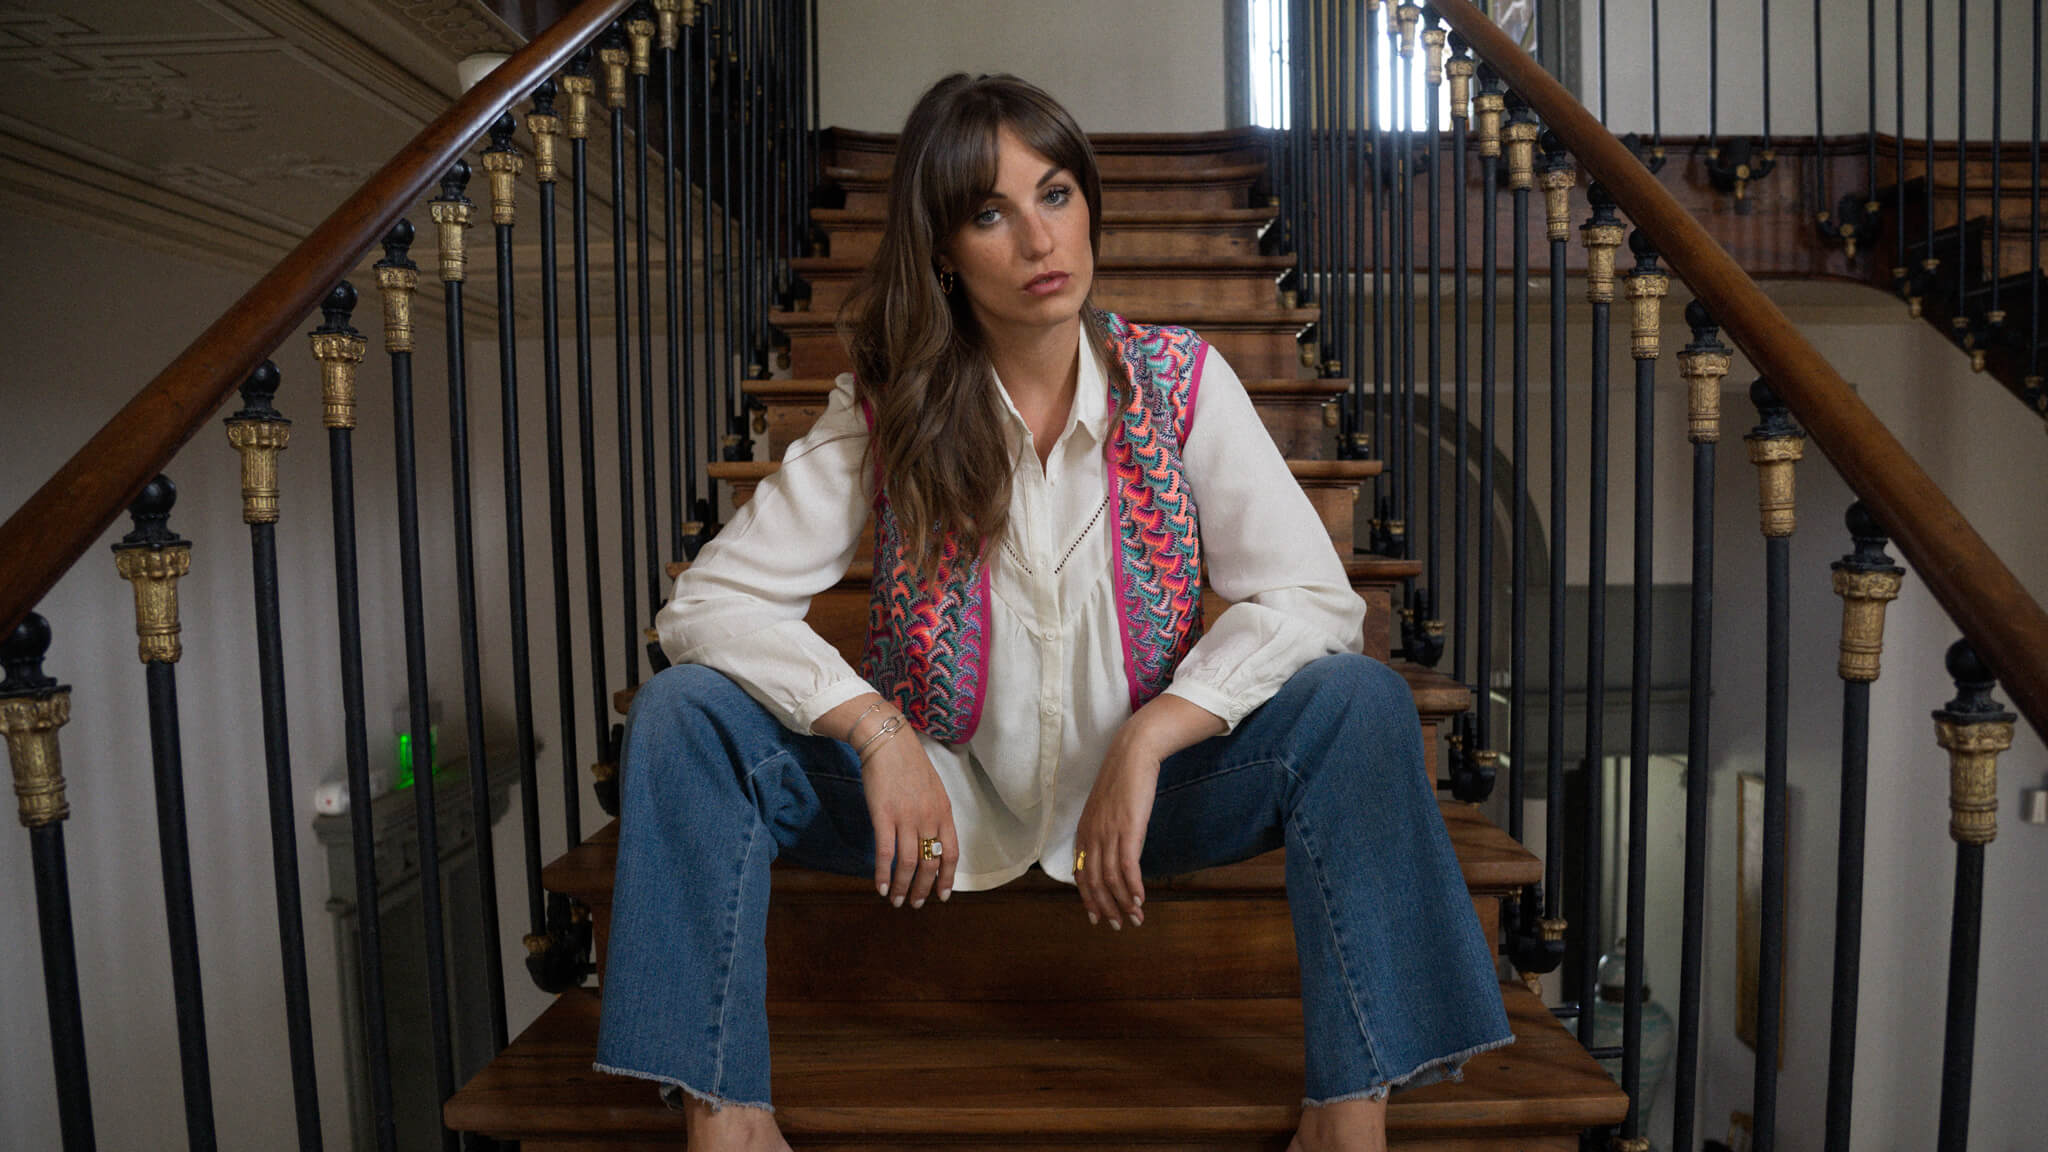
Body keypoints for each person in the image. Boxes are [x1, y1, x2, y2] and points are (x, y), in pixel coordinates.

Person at [592, 72, 1513, 1152]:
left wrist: (1158, 730)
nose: (1038, 239)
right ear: (943, 249)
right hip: (932, 807)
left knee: (1356, 698)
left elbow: (1310, 597)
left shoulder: (1178, 384)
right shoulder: (887, 405)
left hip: (1152, 803)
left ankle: (1348, 1111)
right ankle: (726, 1114)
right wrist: (871, 728)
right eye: (990, 212)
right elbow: (708, 606)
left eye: (1056, 193)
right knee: (684, 711)